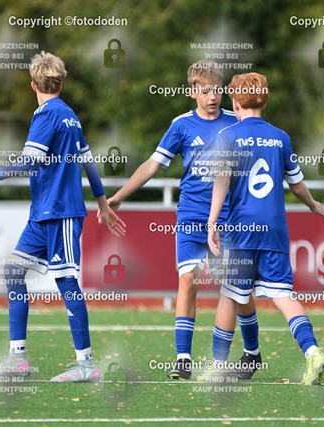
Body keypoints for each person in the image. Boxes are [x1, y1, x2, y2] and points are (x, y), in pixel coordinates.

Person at [0, 51, 125, 383]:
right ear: (61, 84)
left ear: (33, 85)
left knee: (66, 281)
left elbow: (28, 161)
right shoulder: (70, 115)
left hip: (61, 213)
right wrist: (102, 203)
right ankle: (17, 359)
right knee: (14, 271)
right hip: (43, 214)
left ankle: (87, 365)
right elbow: (88, 162)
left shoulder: (47, 115)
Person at [103, 60, 260, 379]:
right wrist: (119, 196)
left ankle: (252, 352)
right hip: (191, 216)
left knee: (238, 291)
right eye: (205, 91)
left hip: (229, 218)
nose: (212, 96)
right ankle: (183, 360)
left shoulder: (237, 122)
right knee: (188, 279)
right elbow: (153, 164)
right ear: (192, 92)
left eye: (216, 90)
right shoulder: (181, 125)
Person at [200, 72, 324, 385]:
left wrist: (212, 221)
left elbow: (222, 181)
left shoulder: (228, 136)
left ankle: (217, 366)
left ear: (235, 102)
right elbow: (296, 185)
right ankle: (313, 351)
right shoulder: (280, 137)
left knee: (230, 294)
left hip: (241, 230)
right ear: (265, 101)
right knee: (283, 295)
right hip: (274, 230)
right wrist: (312, 204)